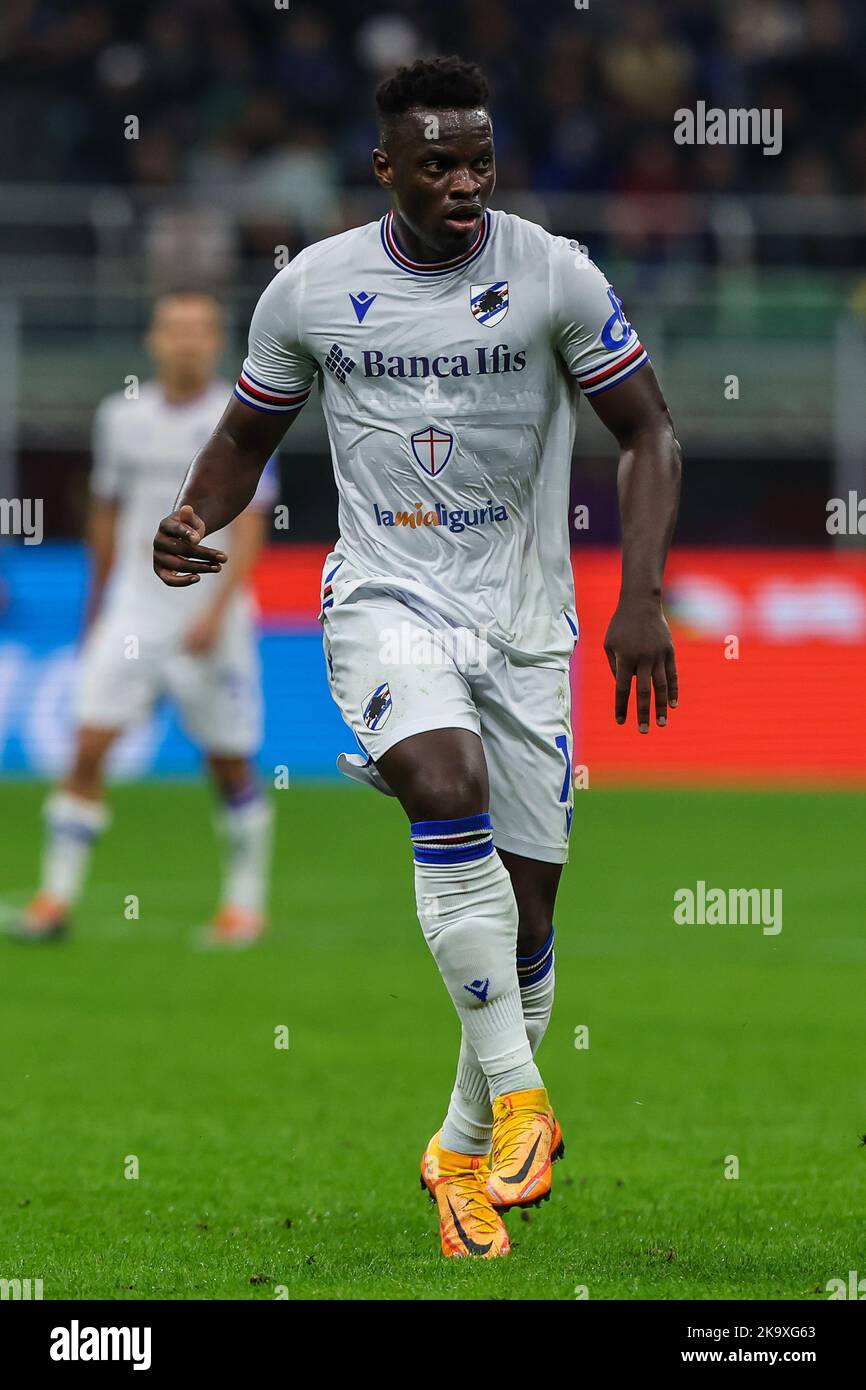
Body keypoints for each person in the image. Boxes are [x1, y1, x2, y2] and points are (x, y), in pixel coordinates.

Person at [152, 58, 681, 1257]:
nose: (461, 184)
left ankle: (457, 1142)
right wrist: (195, 513)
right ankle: (528, 1103)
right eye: (434, 164)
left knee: (530, 913)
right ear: (384, 168)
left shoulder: (552, 271)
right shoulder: (312, 288)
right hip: (385, 599)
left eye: (477, 162)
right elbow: (246, 432)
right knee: (442, 788)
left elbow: (647, 428)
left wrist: (637, 595)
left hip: (527, 620)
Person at [18, 292, 275, 948]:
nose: (187, 342)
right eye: (175, 330)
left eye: (199, 331)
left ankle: (244, 906)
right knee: (88, 748)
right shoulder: (120, 417)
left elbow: (249, 524)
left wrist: (218, 611)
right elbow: (105, 512)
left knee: (228, 763)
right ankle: (54, 900)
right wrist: (97, 604)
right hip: (135, 609)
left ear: (216, 341)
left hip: (208, 616)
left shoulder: (242, 416)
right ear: (155, 341)